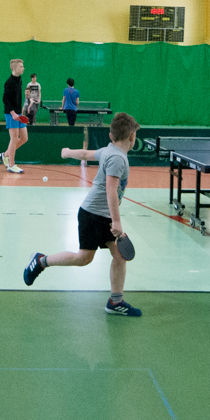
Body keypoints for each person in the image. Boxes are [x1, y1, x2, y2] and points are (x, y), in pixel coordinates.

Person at [23, 112, 142, 317]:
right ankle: (41, 260)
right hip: (95, 216)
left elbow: (86, 154)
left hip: (100, 215)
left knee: (116, 255)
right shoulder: (117, 158)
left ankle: (115, 302)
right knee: (84, 258)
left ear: (112, 135)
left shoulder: (109, 151)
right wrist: (116, 221)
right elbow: (111, 190)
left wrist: (68, 152)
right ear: (132, 136)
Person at [0, 58, 27, 174]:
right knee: (14, 138)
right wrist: (13, 113)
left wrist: (20, 112)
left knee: (24, 138)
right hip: (11, 114)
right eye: (21, 66)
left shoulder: (19, 80)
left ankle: (5, 155)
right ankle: (11, 165)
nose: (23, 68)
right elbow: (5, 99)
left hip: (19, 113)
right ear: (14, 68)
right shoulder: (9, 82)